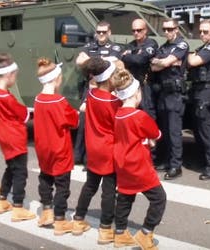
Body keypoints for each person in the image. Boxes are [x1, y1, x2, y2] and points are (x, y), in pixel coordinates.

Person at [112, 69, 166, 250]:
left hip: (122, 162)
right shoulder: (140, 116)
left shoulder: (118, 114)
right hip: (139, 164)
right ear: (136, 93)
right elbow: (156, 134)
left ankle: (120, 232)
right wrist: (149, 139)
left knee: (125, 197)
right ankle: (146, 232)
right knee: (159, 198)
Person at [72, 57, 121, 240]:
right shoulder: (113, 102)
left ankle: (78, 218)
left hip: (93, 148)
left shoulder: (91, 95)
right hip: (109, 149)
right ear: (109, 79)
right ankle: (106, 227)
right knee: (109, 190)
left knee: (90, 185)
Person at [33, 58, 79, 235]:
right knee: (62, 186)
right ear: (56, 79)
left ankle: (46, 211)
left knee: (45, 179)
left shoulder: (38, 99)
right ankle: (60, 219)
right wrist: (75, 114)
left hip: (43, 148)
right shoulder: (59, 101)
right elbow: (73, 121)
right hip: (60, 149)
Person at [0, 53, 36, 221]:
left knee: (11, 168)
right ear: (9, 74)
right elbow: (23, 114)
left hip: (3, 135)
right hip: (15, 137)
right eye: (15, 76)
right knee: (20, 172)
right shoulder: (8, 98)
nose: (15, 79)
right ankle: (18, 206)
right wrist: (30, 112)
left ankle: (2, 199)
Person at [74, 21, 123, 168]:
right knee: (83, 121)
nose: (100, 35)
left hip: (105, 89)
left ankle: (90, 158)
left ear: (109, 33)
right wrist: (101, 61)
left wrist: (92, 61)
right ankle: (78, 155)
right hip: (90, 87)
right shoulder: (90, 46)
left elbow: (115, 61)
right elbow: (79, 61)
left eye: (103, 32)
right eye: (98, 32)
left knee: (98, 124)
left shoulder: (115, 47)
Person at [150, 18, 189, 180]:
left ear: (176, 29)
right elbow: (153, 65)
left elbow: (165, 62)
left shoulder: (182, 44)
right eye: (164, 29)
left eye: (170, 29)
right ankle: (167, 161)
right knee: (164, 130)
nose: (167, 32)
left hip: (175, 93)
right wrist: (165, 62)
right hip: (164, 93)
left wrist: (165, 62)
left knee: (174, 132)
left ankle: (175, 165)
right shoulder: (164, 47)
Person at [187, 19, 210, 180]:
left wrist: (191, 55)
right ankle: (206, 162)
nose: (202, 34)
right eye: (200, 31)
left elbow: (193, 61)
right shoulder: (204, 47)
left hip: (208, 92)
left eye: (205, 31)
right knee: (199, 129)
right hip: (200, 90)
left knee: (208, 130)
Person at [122, 18, 159, 119]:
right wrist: (132, 56)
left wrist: (129, 56)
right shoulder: (130, 45)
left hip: (146, 84)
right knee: (132, 113)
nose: (136, 33)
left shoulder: (151, 43)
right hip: (132, 84)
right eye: (133, 30)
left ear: (145, 30)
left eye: (139, 30)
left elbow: (140, 60)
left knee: (147, 113)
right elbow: (122, 58)